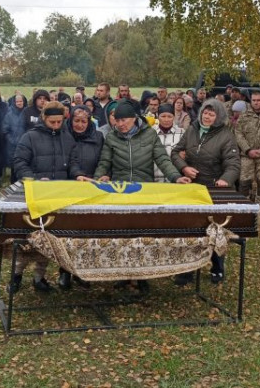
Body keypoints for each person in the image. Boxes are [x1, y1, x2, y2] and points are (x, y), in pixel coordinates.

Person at [90, 100, 190, 292]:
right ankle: (123, 275)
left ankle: (142, 276)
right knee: (121, 236)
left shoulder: (150, 134)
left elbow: (162, 158)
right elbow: (104, 162)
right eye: (117, 120)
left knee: (142, 237)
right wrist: (98, 179)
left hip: (143, 190)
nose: (120, 124)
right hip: (120, 192)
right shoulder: (112, 137)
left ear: (134, 119)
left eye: (123, 120)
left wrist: (176, 177)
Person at [171, 99, 240, 285]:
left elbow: (233, 163)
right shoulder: (192, 129)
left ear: (218, 117)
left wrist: (226, 179)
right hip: (192, 188)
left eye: (211, 114)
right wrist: (184, 167)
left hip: (214, 189)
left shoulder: (226, 135)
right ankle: (187, 270)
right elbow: (176, 152)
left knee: (214, 230)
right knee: (190, 230)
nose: (207, 117)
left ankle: (217, 266)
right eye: (205, 113)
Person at [10, 101, 76, 294]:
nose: (56, 125)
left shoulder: (67, 137)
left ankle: (39, 278)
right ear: (44, 119)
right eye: (52, 122)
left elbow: (73, 161)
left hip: (58, 195)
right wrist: (36, 179)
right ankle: (16, 275)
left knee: (50, 239)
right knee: (28, 240)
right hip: (36, 194)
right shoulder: (30, 137)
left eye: (59, 122)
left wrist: (77, 173)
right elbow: (19, 161)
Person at [59, 104, 105, 289]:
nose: (79, 125)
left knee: (89, 233)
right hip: (70, 186)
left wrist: (101, 174)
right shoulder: (64, 136)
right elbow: (68, 161)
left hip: (93, 186)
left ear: (89, 121)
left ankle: (84, 271)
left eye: (83, 121)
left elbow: (104, 158)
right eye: (76, 121)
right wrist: (76, 175)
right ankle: (65, 272)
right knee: (68, 233)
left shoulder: (98, 137)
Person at [152, 104, 185, 182]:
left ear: (174, 117)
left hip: (175, 179)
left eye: (169, 116)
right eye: (163, 116)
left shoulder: (182, 133)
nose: (166, 119)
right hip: (153, 179)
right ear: (157, 116)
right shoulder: (151, 132)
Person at [2, 94, 27, 183]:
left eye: (21, 101)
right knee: (13, 166)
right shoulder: (9, 114)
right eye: (17, 101)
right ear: (14, 102)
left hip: (25, 144)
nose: (19, 103)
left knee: (24, 165)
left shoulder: (27, 113)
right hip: (12, 144)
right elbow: (5, 129)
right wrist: (11, 140)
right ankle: (13, 183)